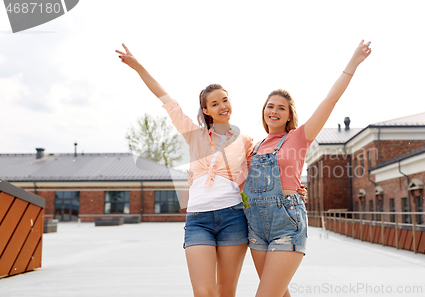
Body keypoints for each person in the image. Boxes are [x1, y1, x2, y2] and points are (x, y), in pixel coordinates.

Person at [115, 44, 306, 297]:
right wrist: (138, 66)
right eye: (215, 103)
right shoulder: (194, 136)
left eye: (225, 100)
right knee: (204, 292)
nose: (222, 106)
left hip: (233, 218)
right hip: (198, 220)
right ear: (206, 110)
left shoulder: (247, 142)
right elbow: (167, 100)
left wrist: (293, 188)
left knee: (226, 291)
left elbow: (264, 171)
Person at [243, 40, 372, 297]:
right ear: (263, 111)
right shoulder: (253, 147)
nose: (274, 111)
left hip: (286, 224)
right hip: (255, 225)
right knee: (279, 293)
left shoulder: (299, 137)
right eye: (270, 106)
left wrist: (353, 62)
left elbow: (331, 99)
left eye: (281, 107)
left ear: (289, 115)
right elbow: (242, 186)